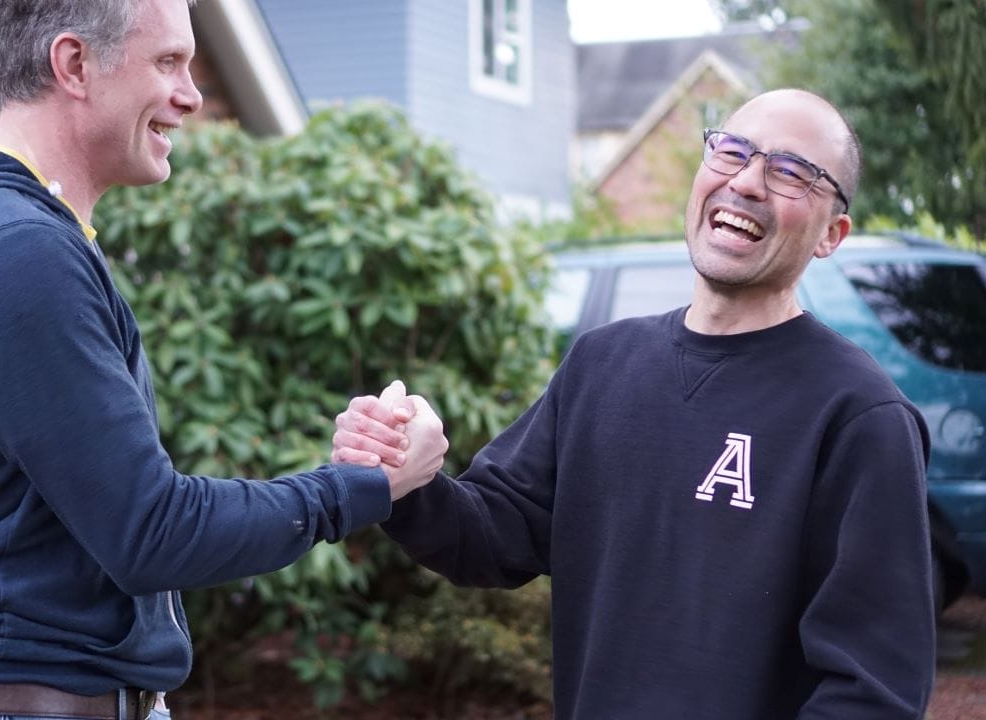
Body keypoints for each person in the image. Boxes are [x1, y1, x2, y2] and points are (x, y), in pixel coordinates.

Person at [0, 1, 446, 719]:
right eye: (168, 61)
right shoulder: (16, 252)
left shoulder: (12, 233)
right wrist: (361, 488)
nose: (192, 95)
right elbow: (151, 533)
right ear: (74, 65)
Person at [334, 88, 935, 719]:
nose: (748, 182)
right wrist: (403, 476)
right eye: (732, 150)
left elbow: (874, 691)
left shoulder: (860, 416)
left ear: (831, 235)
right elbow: (490, 534)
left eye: (792, 172)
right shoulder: (602, 364)